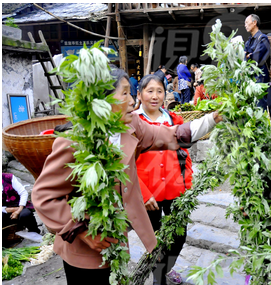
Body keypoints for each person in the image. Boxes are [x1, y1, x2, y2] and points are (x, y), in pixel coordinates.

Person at [31, 67, 222, 285]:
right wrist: (82, 232)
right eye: (124, 93)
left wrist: (212, 119)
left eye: (130, 93)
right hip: (83, 248)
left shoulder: (128, 126)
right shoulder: (75, 141)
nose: (132, 101)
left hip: (115, 240)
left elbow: (169, 135)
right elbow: (44, 196)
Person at [134, 74, 192, 285]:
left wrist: (188, 183)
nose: (155, 96)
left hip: (176, 189)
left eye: (159, 91)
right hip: (149, 195)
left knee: (179, 236)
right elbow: (125, 163)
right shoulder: (133, 121)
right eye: (149, 91)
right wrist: (141, 192)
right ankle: (159, 278)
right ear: (139, 95)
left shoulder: (174, 119)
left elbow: (185, 155)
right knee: (156, 240)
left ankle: (163, 271)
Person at [244, 14, 271, 113]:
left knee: (260, 105)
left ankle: (262, 127)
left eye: (247, 22)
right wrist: (247, 56)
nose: (245, 25)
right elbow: (244, 57)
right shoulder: (248, 41)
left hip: (260, 77)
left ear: (254, 23)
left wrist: (248, 56)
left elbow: (255, 58)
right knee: (251, 105)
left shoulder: (263, 38)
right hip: (250, 77)